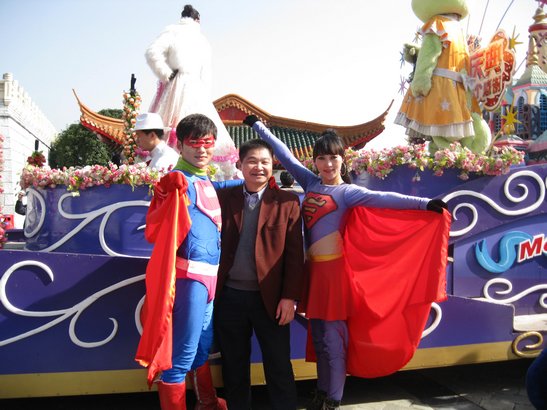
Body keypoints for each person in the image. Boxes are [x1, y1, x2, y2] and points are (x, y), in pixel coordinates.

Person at [243, 115, 450, 409]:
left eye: (333, 158)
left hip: (333, 274)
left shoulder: (348, 193)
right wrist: (258, 127)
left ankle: (333, 399)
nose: (328, 164)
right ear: (315, 161)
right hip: (314, 273)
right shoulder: (310, 182)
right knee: (319, 338)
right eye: (322, 158)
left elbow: (385, 198)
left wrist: (424, 204)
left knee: (332, 341)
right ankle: (322, 393)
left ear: (343, 159)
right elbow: (285, 155)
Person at [135, 113, 243, 410]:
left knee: (201, 347)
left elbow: (218, 188)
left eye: (207, 143)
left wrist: (253, 179)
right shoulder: (178, 181)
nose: (202, 149)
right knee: (181, 355)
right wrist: (166, 188)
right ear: (180, 145)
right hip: (191, 280)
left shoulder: (203, 179)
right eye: (194, 143)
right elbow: (159, 212)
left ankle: (207, 401)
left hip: (209, 280)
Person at [215, 139, 305, 410]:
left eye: (265, 162)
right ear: (239, 165)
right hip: (230, 296)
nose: (259, 167)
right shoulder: (224, 199)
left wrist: (289, 298)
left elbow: (294, 256)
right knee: (233, 366)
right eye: (252, 161)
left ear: (272, 165)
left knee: (278, 365)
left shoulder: (287, 202)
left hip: (272, 299)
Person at [145, 4, 237, 180]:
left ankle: (165, 175)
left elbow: (152, 53)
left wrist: (165, 74)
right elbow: (207, 74)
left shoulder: (172, 31)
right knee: (202, 133)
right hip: (198, 90)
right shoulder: (203, 40)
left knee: (167, 132)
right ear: (198, 20)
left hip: (175, 85)